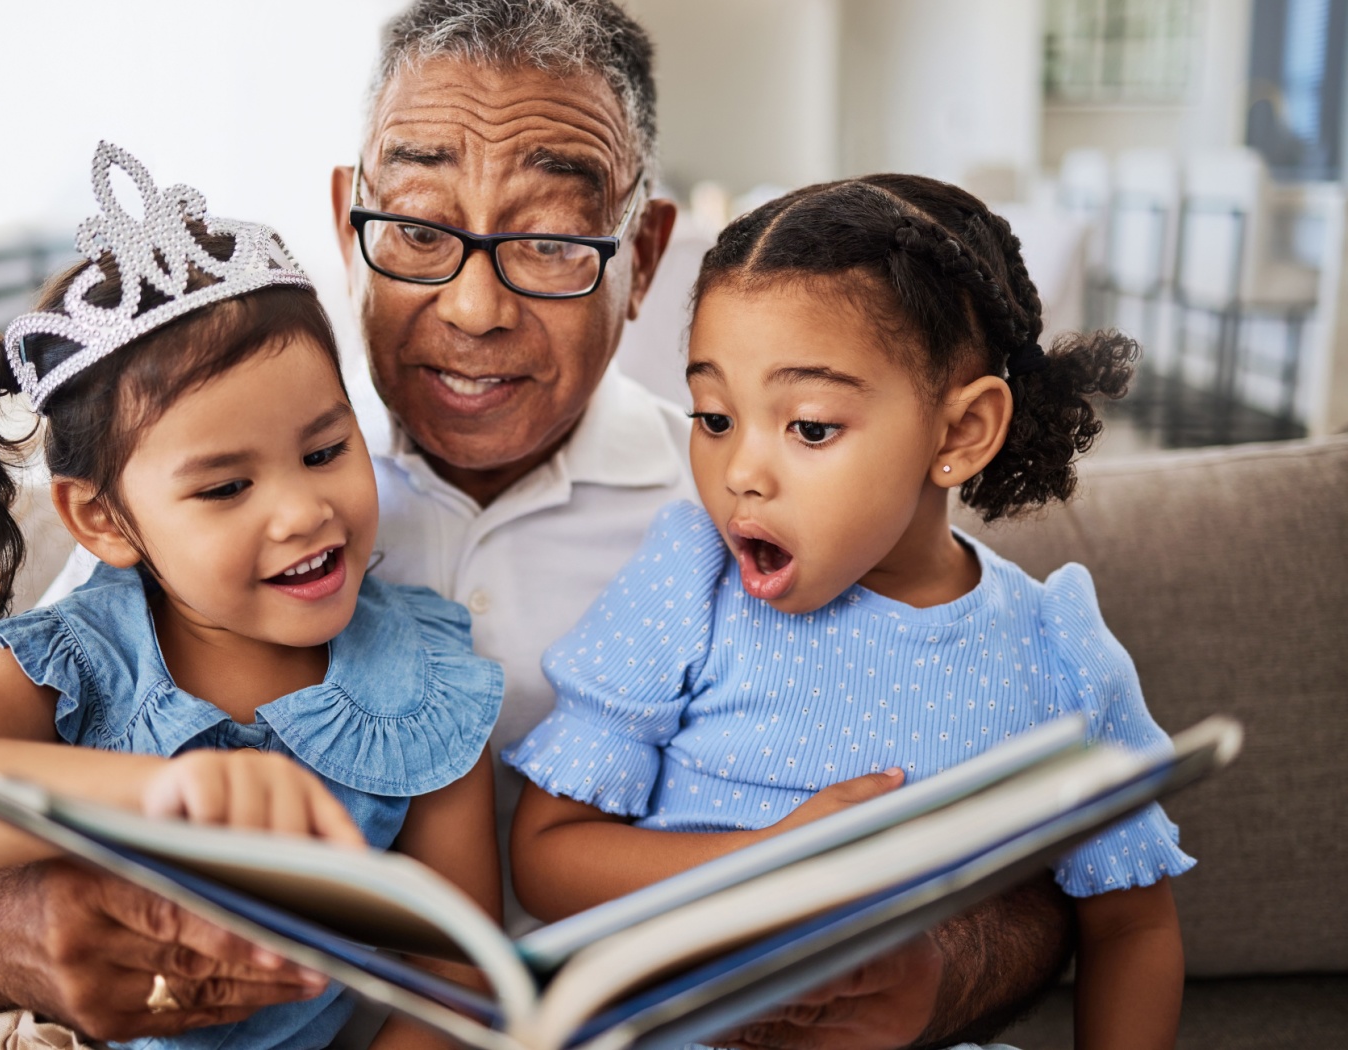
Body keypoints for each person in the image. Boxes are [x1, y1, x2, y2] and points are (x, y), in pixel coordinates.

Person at [0, 4, 1077, 1048]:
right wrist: (25, 934)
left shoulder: (760, 511)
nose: (476, 305)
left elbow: (1026, 879)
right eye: (418, 230)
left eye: (551, 239)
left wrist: (920, 976)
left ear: (642, 257)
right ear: (349, 225)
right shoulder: (185, 508)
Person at [506, 174, 1189, 1050]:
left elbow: (1131, 927)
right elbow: (546, 855)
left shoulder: (1056, 654)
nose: (742, 472)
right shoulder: (689, 587)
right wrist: (768, 863)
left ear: (958, 434)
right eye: (714, 417)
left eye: (811, 428)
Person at [0, 142, 504, 1050]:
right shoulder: (80, 658)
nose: (304, 511)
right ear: (104, 520)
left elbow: (457, 977)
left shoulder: (428, 680)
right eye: (225, 488)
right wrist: (154, 792)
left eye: (325, 452)